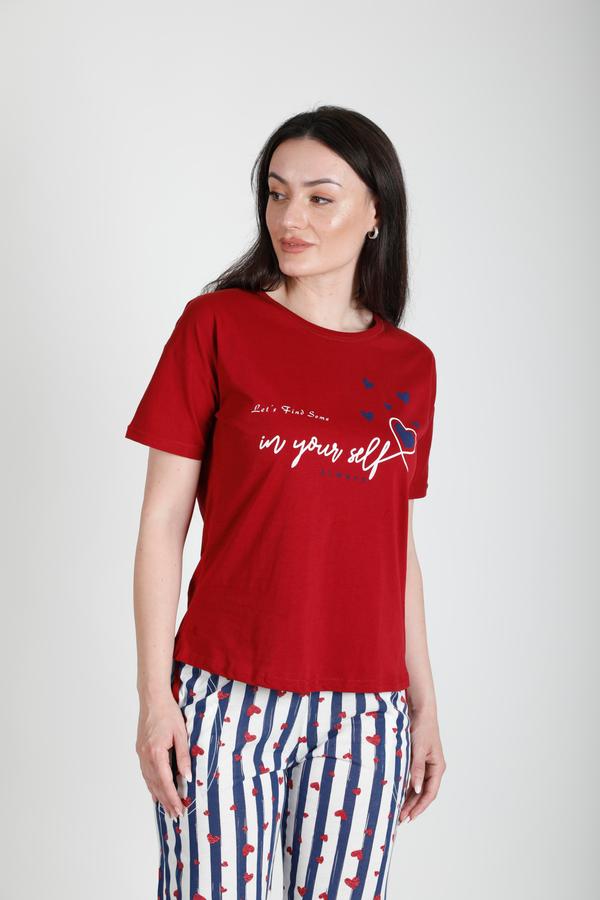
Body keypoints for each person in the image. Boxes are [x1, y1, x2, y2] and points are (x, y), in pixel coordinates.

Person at [125, 105, 446, 899]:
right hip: (225, 697)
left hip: (365, 713)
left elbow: (393, 545)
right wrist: (155, 697)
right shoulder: (216, 326)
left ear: (376, 212)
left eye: (319, 197)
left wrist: (424, 704)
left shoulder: (409, 367)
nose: (289, 218)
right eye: (276, 193)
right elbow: (162, 524)